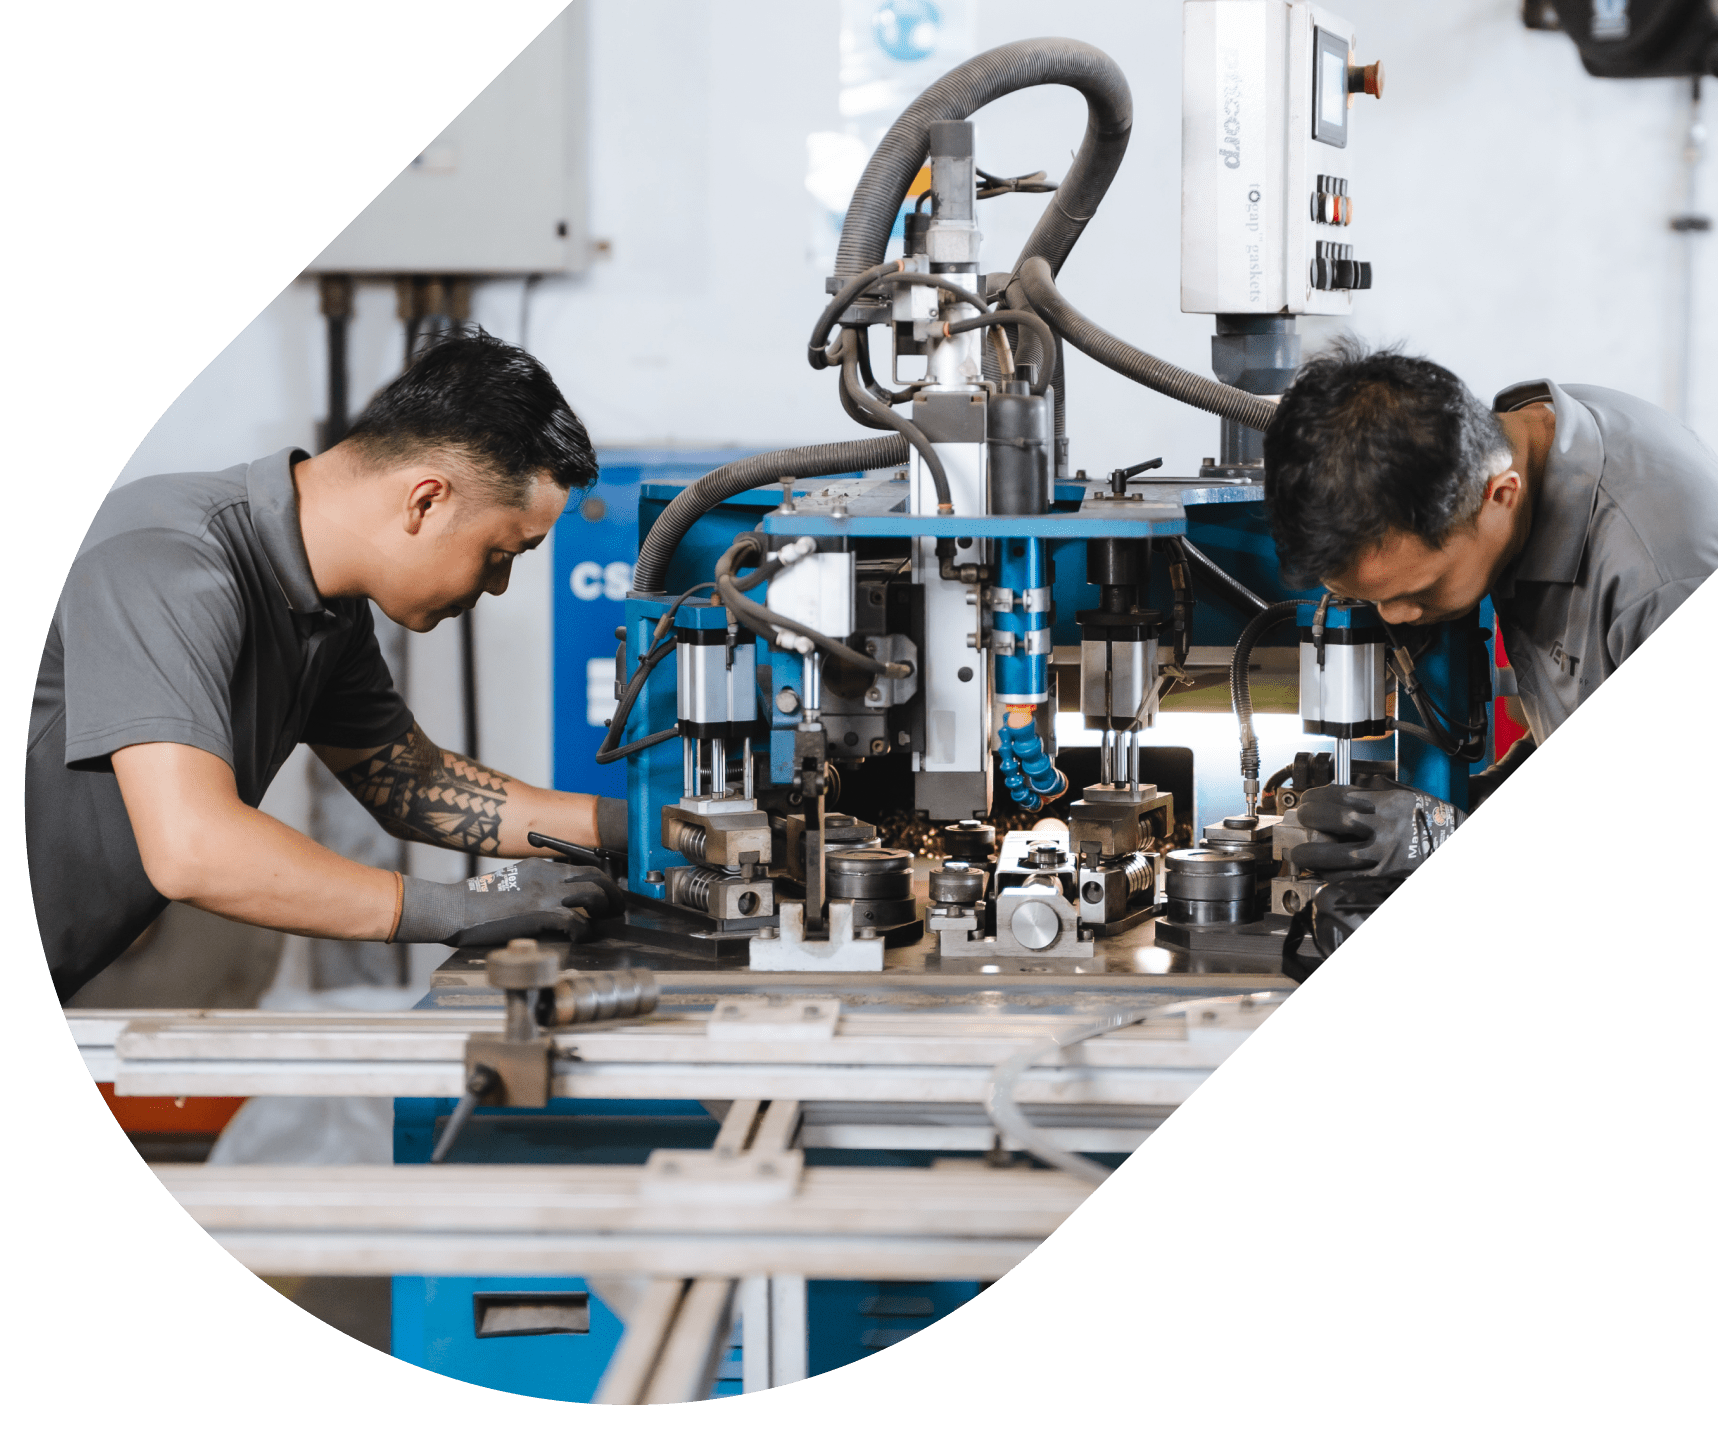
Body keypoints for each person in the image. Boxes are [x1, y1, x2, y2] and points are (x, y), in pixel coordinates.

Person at [29, 328, 628, 1002]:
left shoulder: (328, 612)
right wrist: (456, 908)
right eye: (502, 552)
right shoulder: (167, 558)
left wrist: (636, 825)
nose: (499, 586)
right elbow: (193, 848)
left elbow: (412, 784)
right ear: (425, 501)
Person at [1263, 340, 1718, 882]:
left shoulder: (1661, 580)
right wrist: (1488, 798)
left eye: (1418, 590)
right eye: (1374, 598)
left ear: (1500, 495)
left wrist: (1448, 838)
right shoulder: (1520, 441)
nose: (1397, 617)